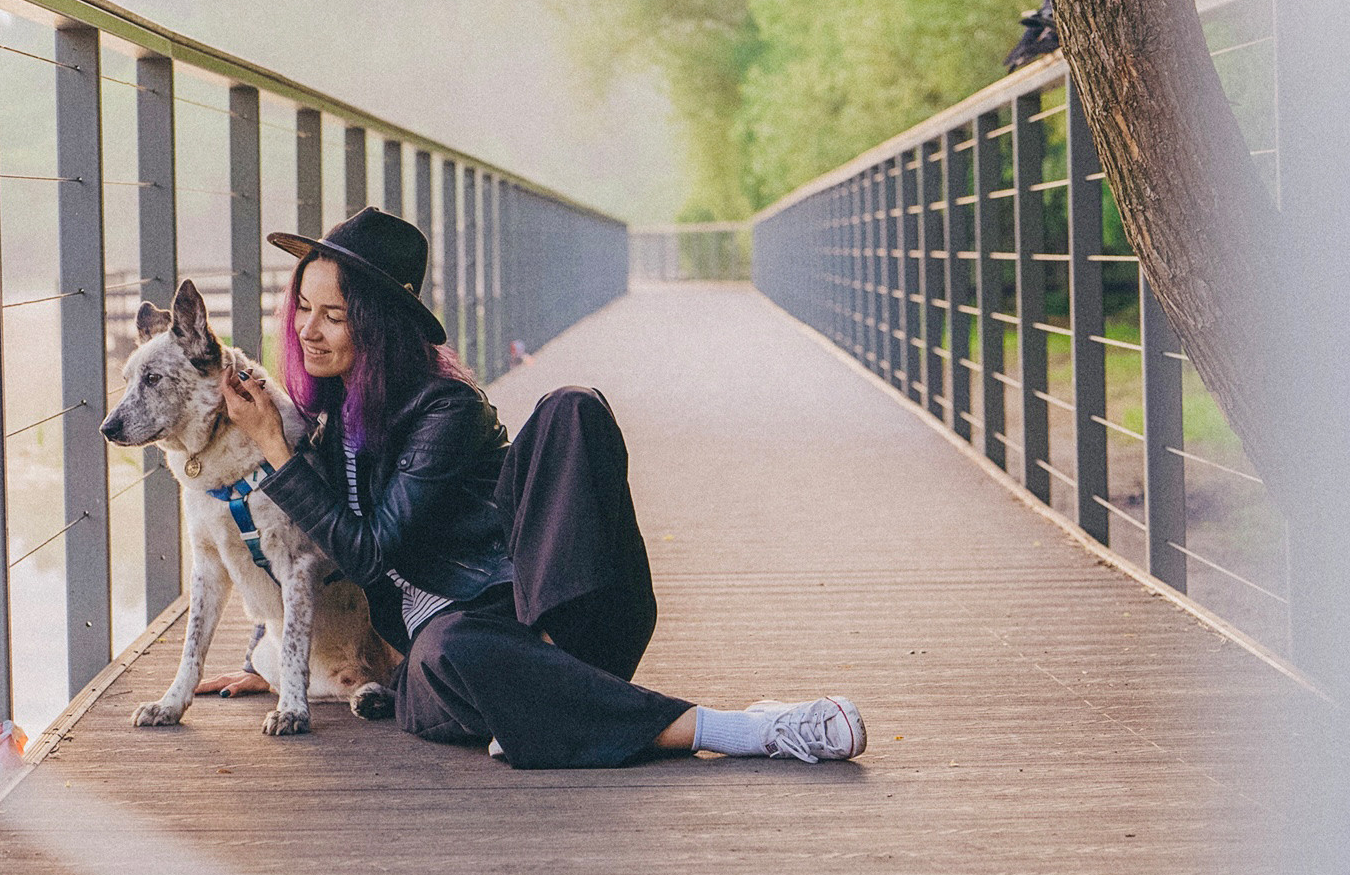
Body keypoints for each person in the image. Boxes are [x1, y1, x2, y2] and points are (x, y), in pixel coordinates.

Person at [205, 207, 865, 769]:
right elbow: (311, 557)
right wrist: (263, 656)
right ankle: (617, 710)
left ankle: (592, 686)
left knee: (570, 408)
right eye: (303, 308)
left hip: (544, 609)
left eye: (333, 315)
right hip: (452, 652)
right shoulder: (326, 426)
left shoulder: (443, 407)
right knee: (449, 648)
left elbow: (371, 552)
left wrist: (272, 449)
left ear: (378, 323)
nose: (306, 329)